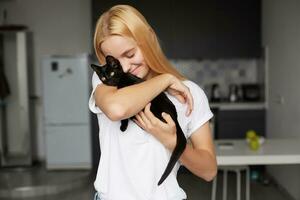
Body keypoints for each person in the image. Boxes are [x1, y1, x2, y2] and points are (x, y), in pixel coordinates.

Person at [89, 4, 217, 200]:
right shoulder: (107, 82)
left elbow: (208, 170)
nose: (124, 67)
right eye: (114, 61)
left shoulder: (189, 94)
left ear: (149, 38)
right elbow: (117, 109)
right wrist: (165, 79)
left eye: (130, 54)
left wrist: (173, 143)